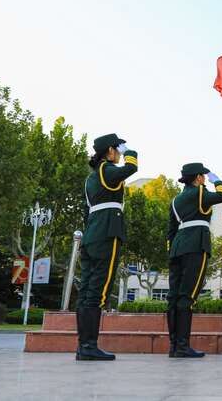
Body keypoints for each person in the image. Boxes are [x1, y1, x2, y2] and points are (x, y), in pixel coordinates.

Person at [77, 133, 138, 361]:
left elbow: (86, 211)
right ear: (110, 151)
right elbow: (130, 168)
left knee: (86, 292)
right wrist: (131, 150)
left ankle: (83, 346)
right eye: (118, 149)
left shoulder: (91, 178)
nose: (120, 154)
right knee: (98, 292)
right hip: (107, 233)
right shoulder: (106, 170)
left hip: (92, 234)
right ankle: (89, 346)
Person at [166, 162, 222, 358]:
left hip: (177, 247)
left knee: (174, 297)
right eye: (203, 176)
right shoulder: (199, 192)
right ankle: (182, 346)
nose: (204, 179)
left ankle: (174, 345)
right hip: (195, 245)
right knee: (187, 296)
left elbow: (170, 231)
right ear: (198, 178)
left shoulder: (176, 199)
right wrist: (216, 179)